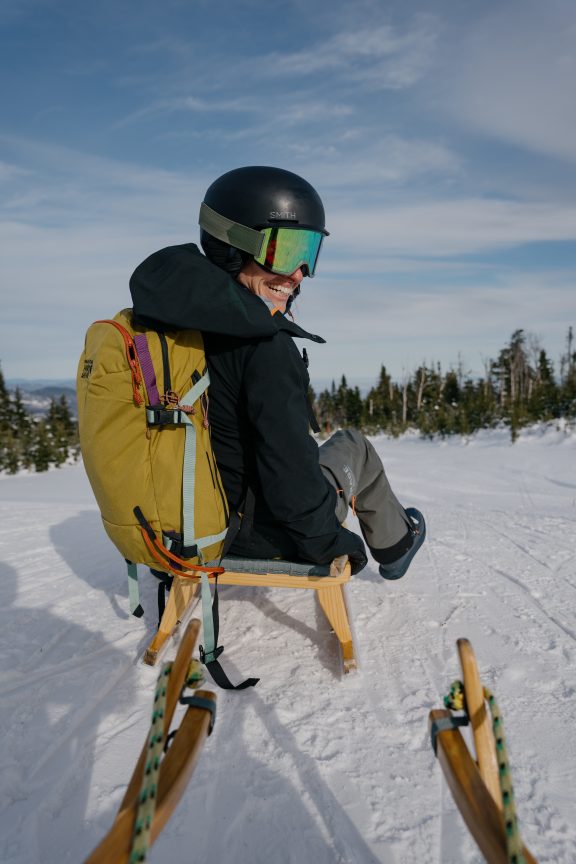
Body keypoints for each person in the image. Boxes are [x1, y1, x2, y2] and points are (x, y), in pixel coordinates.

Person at [129, 166, 425, 579]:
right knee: (353, 446)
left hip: (182, 527)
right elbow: (293, 489)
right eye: (285, 250)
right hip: (257, 532)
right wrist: (334, 544)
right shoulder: (265, 347)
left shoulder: (171, 327)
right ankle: (397, 546)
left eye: (309, 252)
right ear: (232, 245)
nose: (299, 272)